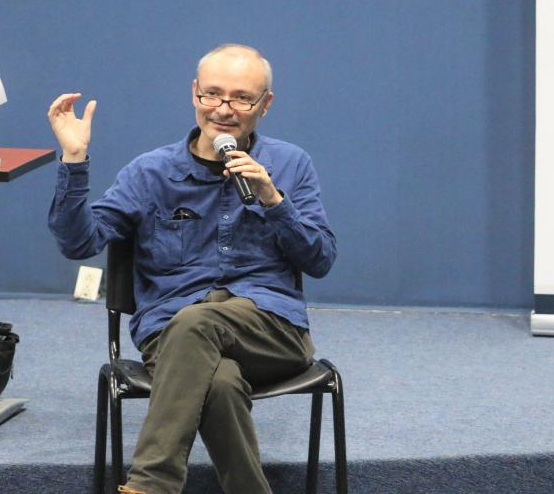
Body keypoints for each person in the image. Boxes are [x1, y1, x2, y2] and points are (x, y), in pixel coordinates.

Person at [47, 44, 337, 494]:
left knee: (197, 322)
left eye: (241, 98)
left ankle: (151, 484)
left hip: (271, 332)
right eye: (212, 94)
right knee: (218, 381)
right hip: (171, 335)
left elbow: (320, 260)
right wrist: (74, 160)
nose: (223, 109)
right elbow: (79, 243)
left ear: (265, 105)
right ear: (194, 93)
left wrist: (273, 199)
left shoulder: (290, 164)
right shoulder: (150, 172)